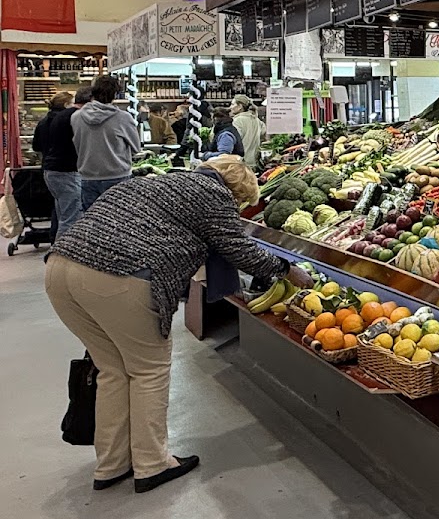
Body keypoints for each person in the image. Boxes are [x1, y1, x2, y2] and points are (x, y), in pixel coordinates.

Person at [45, 155, 313, 493]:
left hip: (60, 268)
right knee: (148, 371)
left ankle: (112, 465)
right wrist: (287, 269)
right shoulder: (213, 194)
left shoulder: (159, 182)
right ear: (236, 192)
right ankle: (152, 464)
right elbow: (240, 250)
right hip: (118, 276)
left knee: (112, 370)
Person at [73, 75, 141, 211]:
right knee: (119, 218)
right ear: (115, 94)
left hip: (88, 177)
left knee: (92, 219)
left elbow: (77, 144)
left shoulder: (76, 117)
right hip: (118, 176)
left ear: (93, 92)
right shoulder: (123, 117)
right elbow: (136, 147)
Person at [33, 90, 87, 236]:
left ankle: (55, 240)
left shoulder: (43, 122)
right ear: (66, 104)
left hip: (49, 170)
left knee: (61, 213)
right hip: (66, 170)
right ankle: (63, 248)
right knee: (71, 218)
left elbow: (36, 147)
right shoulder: (68, 119)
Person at [230, 94, 265, 167]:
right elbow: (263, 133)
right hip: (254, 162)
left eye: (232, 104)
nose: (230, 107)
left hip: (241, 163)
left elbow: (234, 141)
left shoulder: (237, 121)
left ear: (240, 106)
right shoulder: (257, 120)